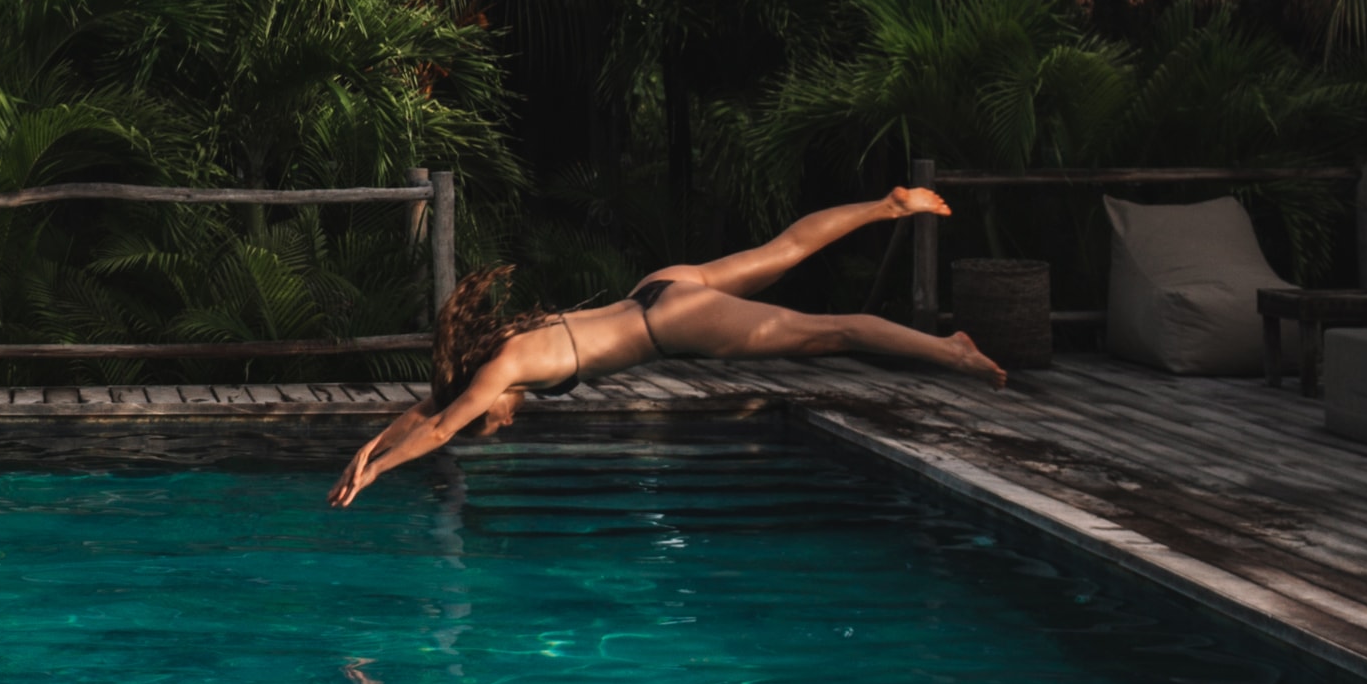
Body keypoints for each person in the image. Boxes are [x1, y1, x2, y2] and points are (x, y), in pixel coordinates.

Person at [334, 188, 1002, 504]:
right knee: (783, 251)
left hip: (673, 325)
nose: (504, 422)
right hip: (657, 289)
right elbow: (433, 409)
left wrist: (377, 475)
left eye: (496, 422)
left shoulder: (502, 373)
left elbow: (445, 424)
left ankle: (951, 350)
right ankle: (887, 207)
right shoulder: (503, 347)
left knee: (834, 331)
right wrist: (370, 447)